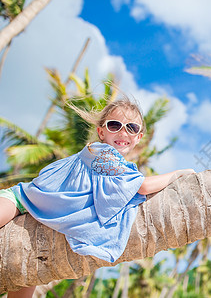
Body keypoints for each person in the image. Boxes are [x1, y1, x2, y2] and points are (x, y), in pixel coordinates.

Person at [0, 97, 195, 298]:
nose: (123, 132)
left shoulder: (119, 168)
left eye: (131, 128)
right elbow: (143, 186)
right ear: (101, 131)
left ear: (139, 137)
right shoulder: (101, 154)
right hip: (18, 199)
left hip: (35, 221)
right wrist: (176, 174)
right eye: (114, 125)